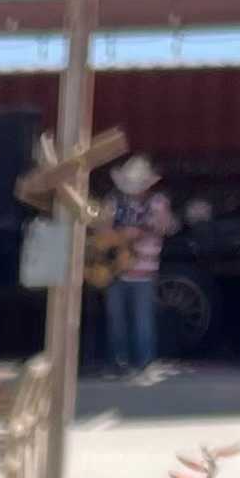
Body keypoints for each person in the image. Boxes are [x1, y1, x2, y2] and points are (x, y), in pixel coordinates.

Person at [98, 156, 174, 381]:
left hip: (145, 272)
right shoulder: (112, 201)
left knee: (143, 322)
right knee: (117, 322)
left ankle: (144, 363)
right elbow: (102, 230)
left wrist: (147, 228)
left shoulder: (158, 202)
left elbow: (167, 227)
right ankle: (118, 363)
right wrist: (120, 235)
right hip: (115, 271)